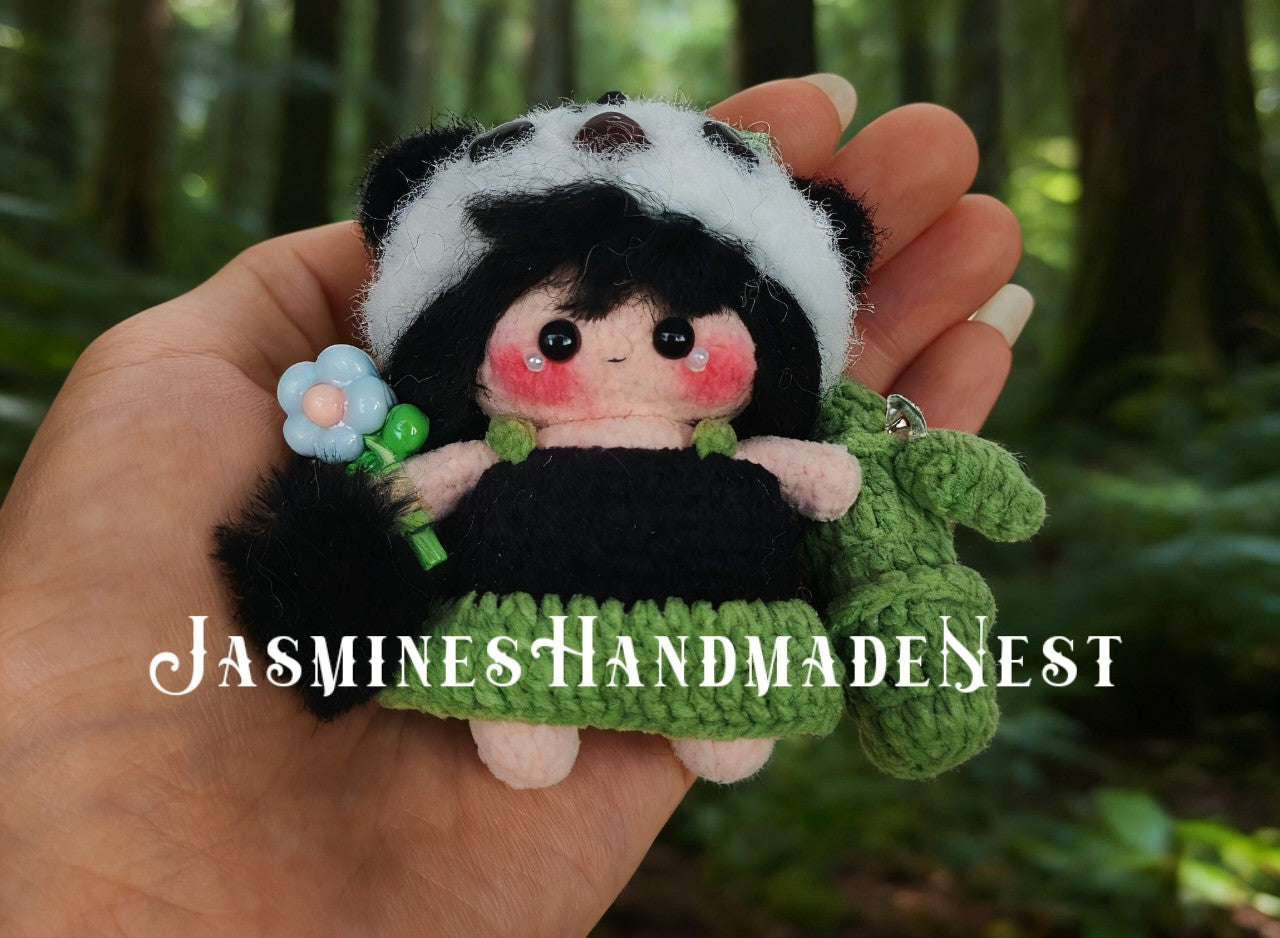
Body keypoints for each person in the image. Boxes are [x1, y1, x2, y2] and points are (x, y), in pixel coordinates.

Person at [0, 76, 1031, 936]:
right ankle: (527, 708)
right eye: (559, 336)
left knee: (723, 714)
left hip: (722, 623)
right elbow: (423, 487)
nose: (619, 354)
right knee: (517, 695)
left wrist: (832, 473)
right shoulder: (490, 451)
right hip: (519, 623)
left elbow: (819, 473)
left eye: (676, 337)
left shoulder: (740, 442)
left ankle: (711, 720)